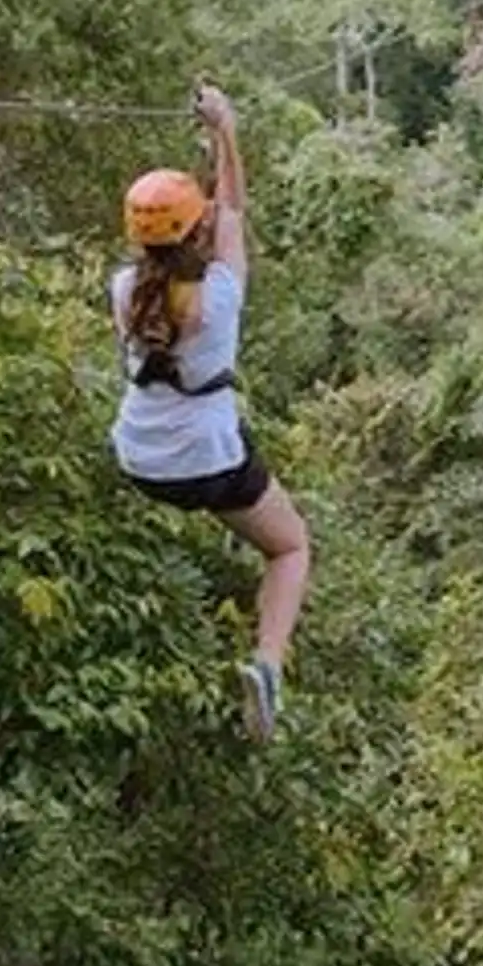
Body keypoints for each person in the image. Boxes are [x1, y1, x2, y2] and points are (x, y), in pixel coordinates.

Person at [109, 84, 310, 742]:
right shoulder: (220, 292)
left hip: (141, 458)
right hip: (207, 461)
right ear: (199, 229)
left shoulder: (123, 289)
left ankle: (259, 657)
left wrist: (217, 139)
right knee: (290, 547)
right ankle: (267, 664)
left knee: (222, 481)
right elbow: (233, 210)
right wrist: (225, 129)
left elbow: (210, 222)